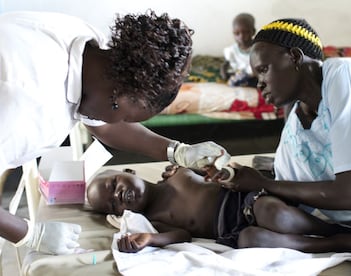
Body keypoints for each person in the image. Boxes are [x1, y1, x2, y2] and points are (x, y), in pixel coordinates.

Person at [0, 10, 230, 255]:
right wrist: (29, 233)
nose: (123, 123)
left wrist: (177, 151)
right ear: (118, 97)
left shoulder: (92, 49)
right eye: (127, 118)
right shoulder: (23, 106)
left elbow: (108, 124)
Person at [219, 18, 351, 263]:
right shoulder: (294, 126)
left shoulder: (346, 74)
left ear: (295, 57)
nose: (259, 83)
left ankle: (337, 240)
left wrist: (262, 183)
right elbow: (292, 192)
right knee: (267, 216)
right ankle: (344, 238)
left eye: (263, 69)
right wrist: (229, 178)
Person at [86, 166, 351, 254]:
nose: (119, 195)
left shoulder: (178, 173)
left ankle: (330, 229)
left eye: (114, 184)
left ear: (129, 170)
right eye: (114, 204)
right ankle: (331, 244)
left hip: (246, 202)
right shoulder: (154, 219)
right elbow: (182, 235)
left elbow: (217, 168)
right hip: (232, 230)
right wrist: (151, 239)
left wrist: (212, 169)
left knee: (275, 214)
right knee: (251, 242)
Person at [220, 13, 257, 87]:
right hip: (238, 74)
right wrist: (223, 72)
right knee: (234, 79)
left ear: (253, 31)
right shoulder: (232, 50)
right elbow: (226, 63)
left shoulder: (257, 48)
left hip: (254, 75)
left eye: (246, 32)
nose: (241, 37)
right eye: (237, 33)